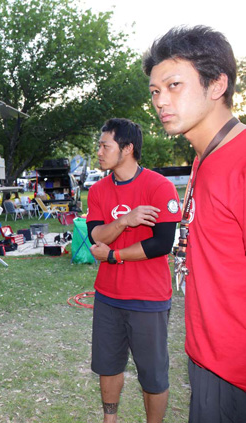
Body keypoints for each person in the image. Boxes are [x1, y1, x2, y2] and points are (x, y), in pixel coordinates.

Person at [143, 26, 246, 421]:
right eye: (155, 91)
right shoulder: (205, 158)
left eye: (173, 85)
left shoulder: (239, 162)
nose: (160, 101)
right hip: (207, 359)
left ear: (217, 84)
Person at [87, 118, 181, 423]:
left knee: (153, 375)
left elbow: (162, 244)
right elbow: (96, 236)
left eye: (105, 145)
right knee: (108, 366)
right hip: (108, 298)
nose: (99, 151)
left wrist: (114, 255)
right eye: (99, 145)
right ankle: (109, 420)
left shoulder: (159, 186)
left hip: (148, 299)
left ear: (126, 149)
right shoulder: (98, 190)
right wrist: (125, 221)